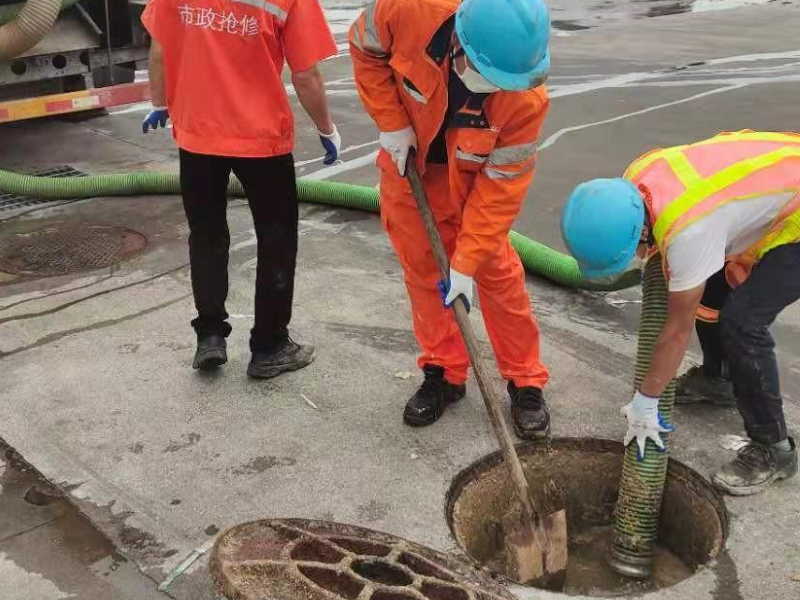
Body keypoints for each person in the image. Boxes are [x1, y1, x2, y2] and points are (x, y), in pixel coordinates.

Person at [349, 0, 552, 438]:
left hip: (474, 185)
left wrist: (466, 262)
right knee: (424, 275)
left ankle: (525, 381)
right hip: (411, 169)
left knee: (496, 274)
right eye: (485, 74)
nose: (490, 88)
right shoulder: (407, 9)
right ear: (460, 39)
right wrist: (391, 122)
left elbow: (500, 191)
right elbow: (364, 48)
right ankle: (444, 372)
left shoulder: (525, 99)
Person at [561, 130, 800, 495]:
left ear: (641, 233)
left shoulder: (690, 232)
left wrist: (647, 400)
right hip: (775, 179)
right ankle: (718, 379)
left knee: (743, 322)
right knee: (712, 293)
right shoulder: (634, 180)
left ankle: (774, 448)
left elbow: (676, 329)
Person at [140, 0, 341, 377]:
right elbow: (306, 74)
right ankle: (269, 345)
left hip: (198, 135)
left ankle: (210, 336)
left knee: (207, 236)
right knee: (276, 239)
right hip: (261, 137)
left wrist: (159, 102)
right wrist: (326, 128)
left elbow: (160, 49)